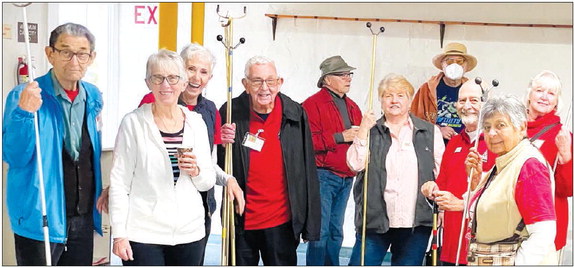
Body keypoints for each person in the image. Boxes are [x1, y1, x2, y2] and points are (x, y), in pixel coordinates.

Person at [97, 43, 244, 265]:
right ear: (149, 82)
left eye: (173, 78)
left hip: (190, 231)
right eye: (158, 78)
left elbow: (206, 177)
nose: (166, 85)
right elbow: (121, 179)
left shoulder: (199, 120)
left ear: (182, 82)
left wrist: (204, 173)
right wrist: (119, 233)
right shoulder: (134, 121)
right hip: (143, 231)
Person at [3, 23, 102, 266]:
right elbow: (14, 156)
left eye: (82, 53)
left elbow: (89, 153)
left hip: (82, 214)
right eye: (66, 52)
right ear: (50, 54)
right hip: (41, 216)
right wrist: (25, 113)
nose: (74, 61)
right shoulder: (24, 95)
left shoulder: (93, 95)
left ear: (91, 57)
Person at [217, 55, 321, 265]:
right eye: (256, 81)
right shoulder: (230, 112)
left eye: (270, 81)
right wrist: (221, 140)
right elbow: (221, 166)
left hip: (281, 221)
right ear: (246, 85)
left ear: (279, 83)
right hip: (241, 218)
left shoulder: (295, 113)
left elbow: (307, 167)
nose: (264, 88)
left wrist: (310, 223)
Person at [347, 73, 445, 265]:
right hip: (374, 220)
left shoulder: (430, 132)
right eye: (388, 95)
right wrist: (363, 131)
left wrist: (441, 209)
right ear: (381, 101)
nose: (394, 100)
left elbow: (441, 175)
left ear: (409, 101)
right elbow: (354, 164)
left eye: (400, 95)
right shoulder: (370, 131)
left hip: (416, 222)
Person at [465, 95, 556, 265]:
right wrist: (476, 181)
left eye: (500, 125)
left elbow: (543, 232)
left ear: (521, 128)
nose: (491, 133)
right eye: (487, 127)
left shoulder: (529, 165)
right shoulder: (504, 162)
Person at [420, 81, 496, 265]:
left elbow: (500, 194)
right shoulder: (454, 142)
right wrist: (432, 189)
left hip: (482, 244)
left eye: (474, 100)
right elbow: (443, 183)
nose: (467, 106)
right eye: (462, 101)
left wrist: (463, 204)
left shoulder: (497, 142)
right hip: (451, 245)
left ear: (486, 104)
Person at [301, 55, 362, 266]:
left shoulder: (353, 106)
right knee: (321, 231)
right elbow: (306, 141)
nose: (348, 78)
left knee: (336, 231)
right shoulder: (311, 105)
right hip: (323, 175)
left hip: (346, 176)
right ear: (327, 79)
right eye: (342, 74)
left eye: (349, 74)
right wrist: (340, 137)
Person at [524, 70, 572, 256]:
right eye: (539, 90)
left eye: (551, 93)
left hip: (547, 225)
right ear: (529, 94)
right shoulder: (513, 129)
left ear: (556, 101)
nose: (544, 97)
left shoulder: (563, 135)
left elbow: (567, 189)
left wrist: (566, 156)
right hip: (513, 224)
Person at [411, 42, 477, 143]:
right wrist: (437, 130)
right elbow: (414, 120)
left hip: (464, 147)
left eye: (460, 61)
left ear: (466, 66)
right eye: (449, 61)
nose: (455, 65)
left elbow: (481, 121)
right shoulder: (427, 90)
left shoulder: (473, 90)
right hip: (433, 147)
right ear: (442, 65)